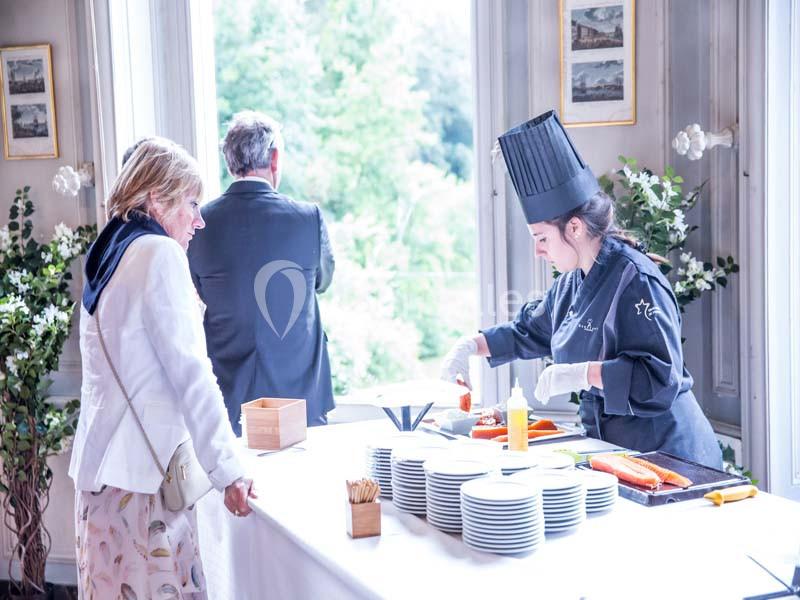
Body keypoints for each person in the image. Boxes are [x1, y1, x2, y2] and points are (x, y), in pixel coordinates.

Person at [440, 110, 722, 469]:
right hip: (618, 454)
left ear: (573, 228)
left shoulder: (637, 280)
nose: (539, 251)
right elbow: (529, 332)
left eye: (541, 238)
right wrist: (469, 347)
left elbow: (661, 379)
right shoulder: (572, 283)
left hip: (672, 455)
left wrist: (582, 373)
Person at [69, 137, 256, 599]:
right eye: (191, 203)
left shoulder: (108, 252)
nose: (199, 218)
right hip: (143, 487)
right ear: (156, 198)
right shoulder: (159, 254)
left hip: (100, 481)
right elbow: (192, 374)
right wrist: (229, 471)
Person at [187, 110, 335, 434]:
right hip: (299, 401)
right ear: (275, 159)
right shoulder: (307, 218)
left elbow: (197, 287)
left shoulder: (199, 224)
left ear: (229, 164)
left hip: (227, 405)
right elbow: (323, 280)